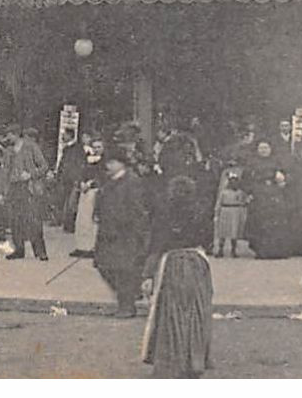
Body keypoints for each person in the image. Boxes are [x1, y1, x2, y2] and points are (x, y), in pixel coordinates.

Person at [141, 174, 213, 378]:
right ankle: (194, 360)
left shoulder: (164, 214)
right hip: (197, 263)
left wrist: (147, 275)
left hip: (172, 263)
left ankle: (172, 360)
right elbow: (208, 239)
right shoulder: (200, 212)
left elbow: (156, 245)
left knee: (171, 314)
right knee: (195, 312)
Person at [94, 151, 151, 317]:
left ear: (121, 164)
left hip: (125, 234)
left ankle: (127, 306)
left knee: (123, 270)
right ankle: (130, 296)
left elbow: (138, 210)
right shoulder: (110, 181)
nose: (108, 165)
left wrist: (136, 232)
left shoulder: (132, 182)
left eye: (111, 162)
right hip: (108, 232)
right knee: (104, 266)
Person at [0, 126, 50, 260]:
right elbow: (4, 173)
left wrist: (30, 174)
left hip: (29, 187)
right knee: (15, 220)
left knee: (33, 220)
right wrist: (1, 192)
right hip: (14, 188)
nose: (7, 138)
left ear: (16, 134)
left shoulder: (31, 147)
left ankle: (40, 251)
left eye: (9, 135)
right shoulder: (8, 151)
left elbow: (44, 166)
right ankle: (19, 249)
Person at [72, 138, 106, 257]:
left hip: (95, 191)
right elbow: (81, 172)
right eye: (94, 147)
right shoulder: (87, 159)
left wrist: (90, 184)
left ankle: (91, 247)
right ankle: (81, 246)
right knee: (82, 219)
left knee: (92, 220)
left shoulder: (104, 162)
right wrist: (81, 182)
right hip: (84, 191)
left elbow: (102, 176)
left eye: (99, 147)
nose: (96, 150)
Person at [212, 168, 248, 257]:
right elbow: (219, 203)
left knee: (234, 231)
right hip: (225, 210)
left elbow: (243, 202)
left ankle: (233, 250)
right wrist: (217, 213)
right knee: (223, 231)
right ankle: (220, 249)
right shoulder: (224, 192)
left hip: (235, 211)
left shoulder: (240, 193)